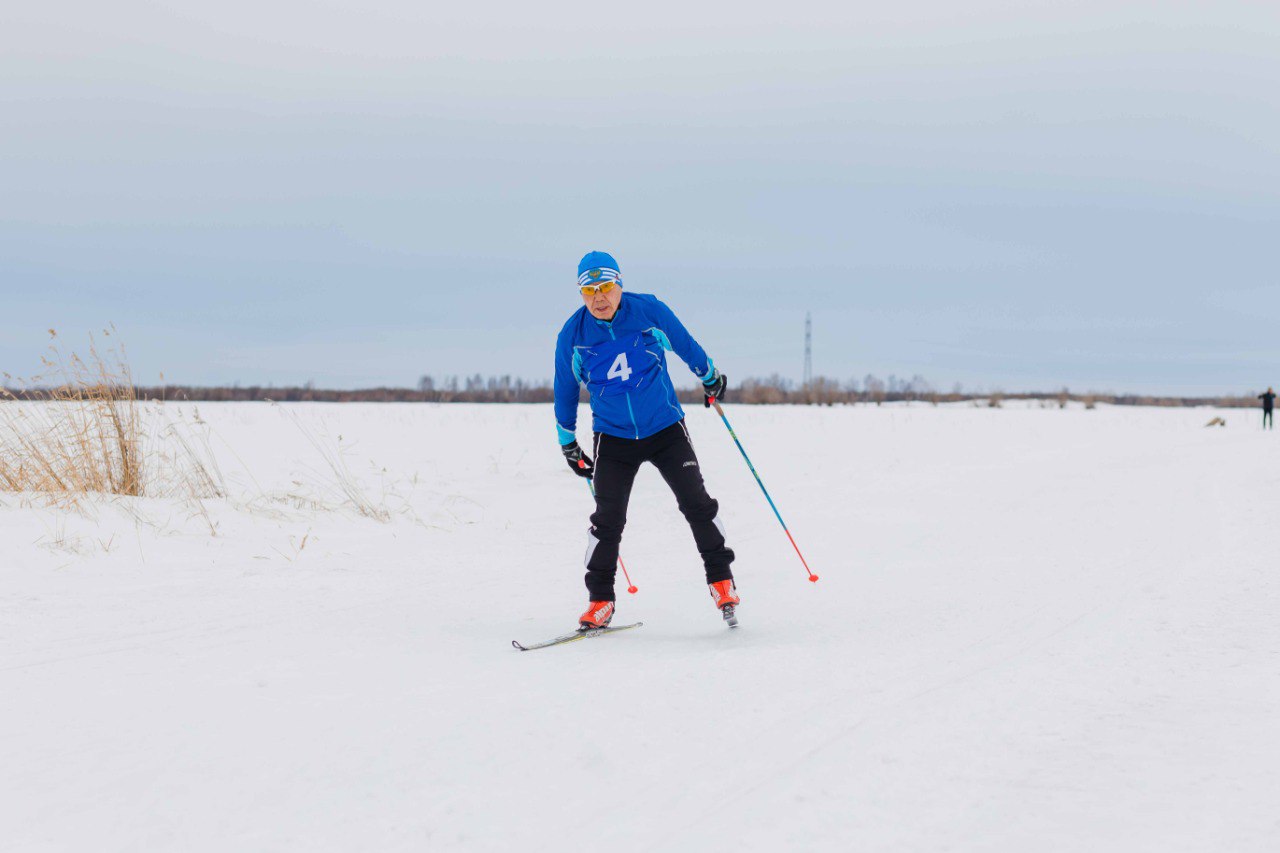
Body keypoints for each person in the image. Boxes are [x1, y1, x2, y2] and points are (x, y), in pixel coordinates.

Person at [554, 251, 737, 629]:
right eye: (589, 290)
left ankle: (722, 581)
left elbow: (684, 343)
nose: (598, 297)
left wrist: (709, 375)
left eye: (605, 287)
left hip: (665, 428)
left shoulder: (648, 311)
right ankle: (600, 601)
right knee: (607, 521)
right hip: (614, 437)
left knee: (697, 504)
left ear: (619, 284)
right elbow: (565, 389)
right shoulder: (572, 336)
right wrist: (567, 440)